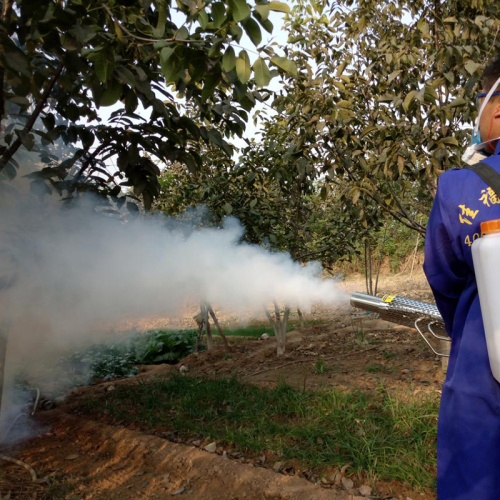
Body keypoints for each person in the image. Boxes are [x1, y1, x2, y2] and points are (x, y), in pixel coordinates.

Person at [424, 52, 500, 500]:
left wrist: (471, 330)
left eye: (479, 104)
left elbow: (443, 276)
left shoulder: (460, 187)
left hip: (483, 381)